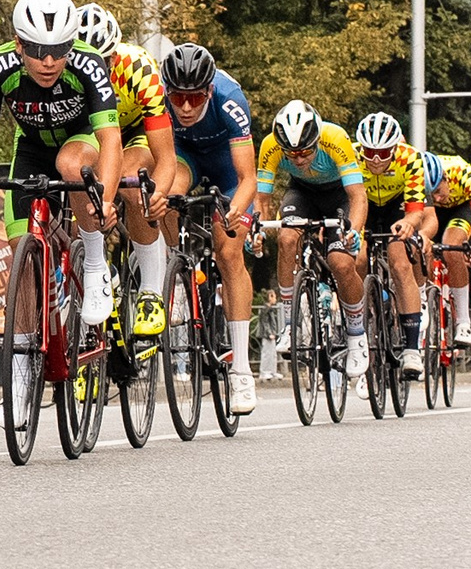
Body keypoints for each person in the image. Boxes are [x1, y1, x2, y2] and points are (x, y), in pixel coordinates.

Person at [0, 0, 124, 333]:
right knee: (22, 255)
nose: (48, 62)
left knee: (70, 161)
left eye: (59, 51)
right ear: (18, 44)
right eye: (37, 51)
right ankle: (22, 357)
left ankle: (94, 264)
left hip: (81, 142)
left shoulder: (88, 63)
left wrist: (105, 201)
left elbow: (111, 139)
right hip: (31, 149)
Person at [152, 41, 262, 415]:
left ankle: (242, 370)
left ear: (209, 90)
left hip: (228, 169)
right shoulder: (158, 96)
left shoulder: (230, 100)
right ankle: (177, 272)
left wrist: (236, 210)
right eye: (178, 97)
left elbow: (249, 177)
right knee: (162, 193)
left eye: (195, 97)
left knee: (229, 252)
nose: (185, 107)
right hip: (184, 157)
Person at [71, 2, 181, 318]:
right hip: (92, 131)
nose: (92, 71)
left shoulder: (140, 70)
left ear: (115, 57)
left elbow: (166, 156)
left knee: (135, 185)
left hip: (135, 132)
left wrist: (156, 194)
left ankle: (150, 291)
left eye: (102, 62)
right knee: (76, 172)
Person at [255, 100, 371, 380]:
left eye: (305, 151)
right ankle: (290, 325)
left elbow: (357, 196)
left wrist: (353, 231)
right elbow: (262, 199)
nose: (297, 159)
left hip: (339, 195)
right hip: (302, 193)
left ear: (317, 138)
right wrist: (256, 230)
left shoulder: (336, 139)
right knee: (285, 239)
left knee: (341, 263)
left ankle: (357, 335)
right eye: (291, 153)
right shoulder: (270, 145)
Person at [349, 112, 434, 375]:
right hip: (363, 205)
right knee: (358, 257)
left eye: (383, 153)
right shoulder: (351, 155)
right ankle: (359, 319)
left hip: (397, 208)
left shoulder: (410, 158)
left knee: (399, 263)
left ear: (395, 148)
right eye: (370, 152)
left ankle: (411, 349)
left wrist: (409, 223)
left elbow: (417, 209)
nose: (375, 159)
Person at [426, 151, 471, 348]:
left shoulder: (465, 175)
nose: (437, 197)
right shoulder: (419, 181)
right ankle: (426, 301)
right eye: (432, 194)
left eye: (439, 191)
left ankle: (463, 322)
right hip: (430, 212)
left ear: (446, 179)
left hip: (459, 209)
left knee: (452, 247)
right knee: (423, 247)